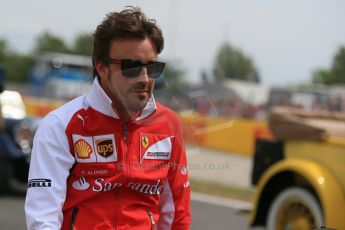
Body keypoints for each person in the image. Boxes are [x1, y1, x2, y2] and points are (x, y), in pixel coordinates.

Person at [25, 7, 191, 230]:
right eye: (131, 67)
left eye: (152, 67)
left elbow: (177, 214)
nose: (144, 78)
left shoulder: (169, 125)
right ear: (101, 67)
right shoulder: (60, 125)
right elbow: (43, 216)